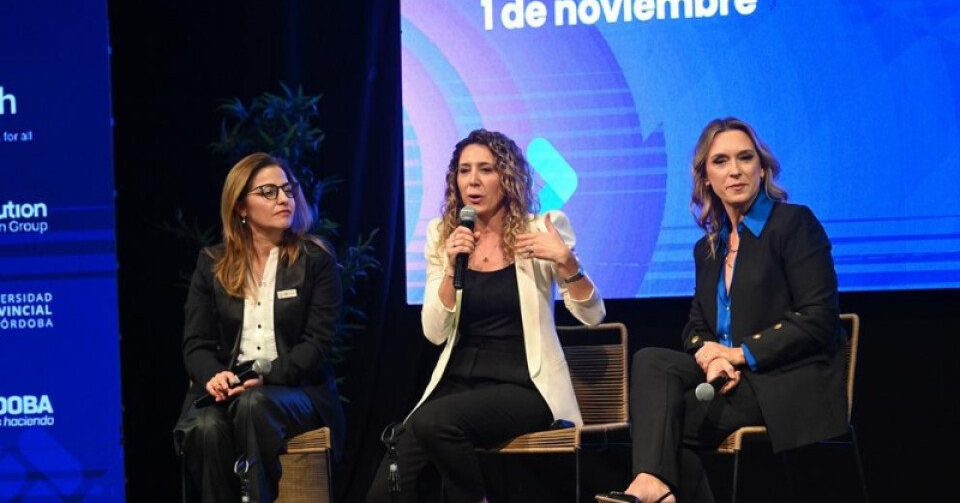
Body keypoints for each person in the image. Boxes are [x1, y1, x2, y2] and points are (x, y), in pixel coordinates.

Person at [597, 117, 849, 503]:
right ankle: (655, 487)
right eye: (720, 161)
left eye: (745, 158)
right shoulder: (708, 248)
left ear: (762, 169)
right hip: (729, 380)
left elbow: (818, 318)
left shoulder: (793, 224)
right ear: (706, 178)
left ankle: (651, 488)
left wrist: (739, 354)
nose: (735, 170)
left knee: (664, 429)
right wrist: (712, 357)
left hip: (784, 379)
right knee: (651, 361)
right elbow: (696, 327)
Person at [367, 129, 606, 502]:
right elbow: (434, 332)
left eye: (486, 169)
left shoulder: (542, 227)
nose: (473, 181)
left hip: (524, 384)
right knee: (385, 489)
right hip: (457, 384)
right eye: (464, 170)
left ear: (507, 177)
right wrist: (450, 268)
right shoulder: (443, 235)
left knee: (436, 421)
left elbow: (592, 316)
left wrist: (567, 262)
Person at [173, 152, 345, 503]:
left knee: (254, 404)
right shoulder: (212, 264)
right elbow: (196, 343)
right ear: (240, 207)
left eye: (287, 189)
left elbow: (316, 345)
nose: (283, 199)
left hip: (296, 391)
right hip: (229, 390)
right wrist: (214, 376)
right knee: (205, 427)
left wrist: (266, 376)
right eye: (268, 192)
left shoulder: (316, 260)